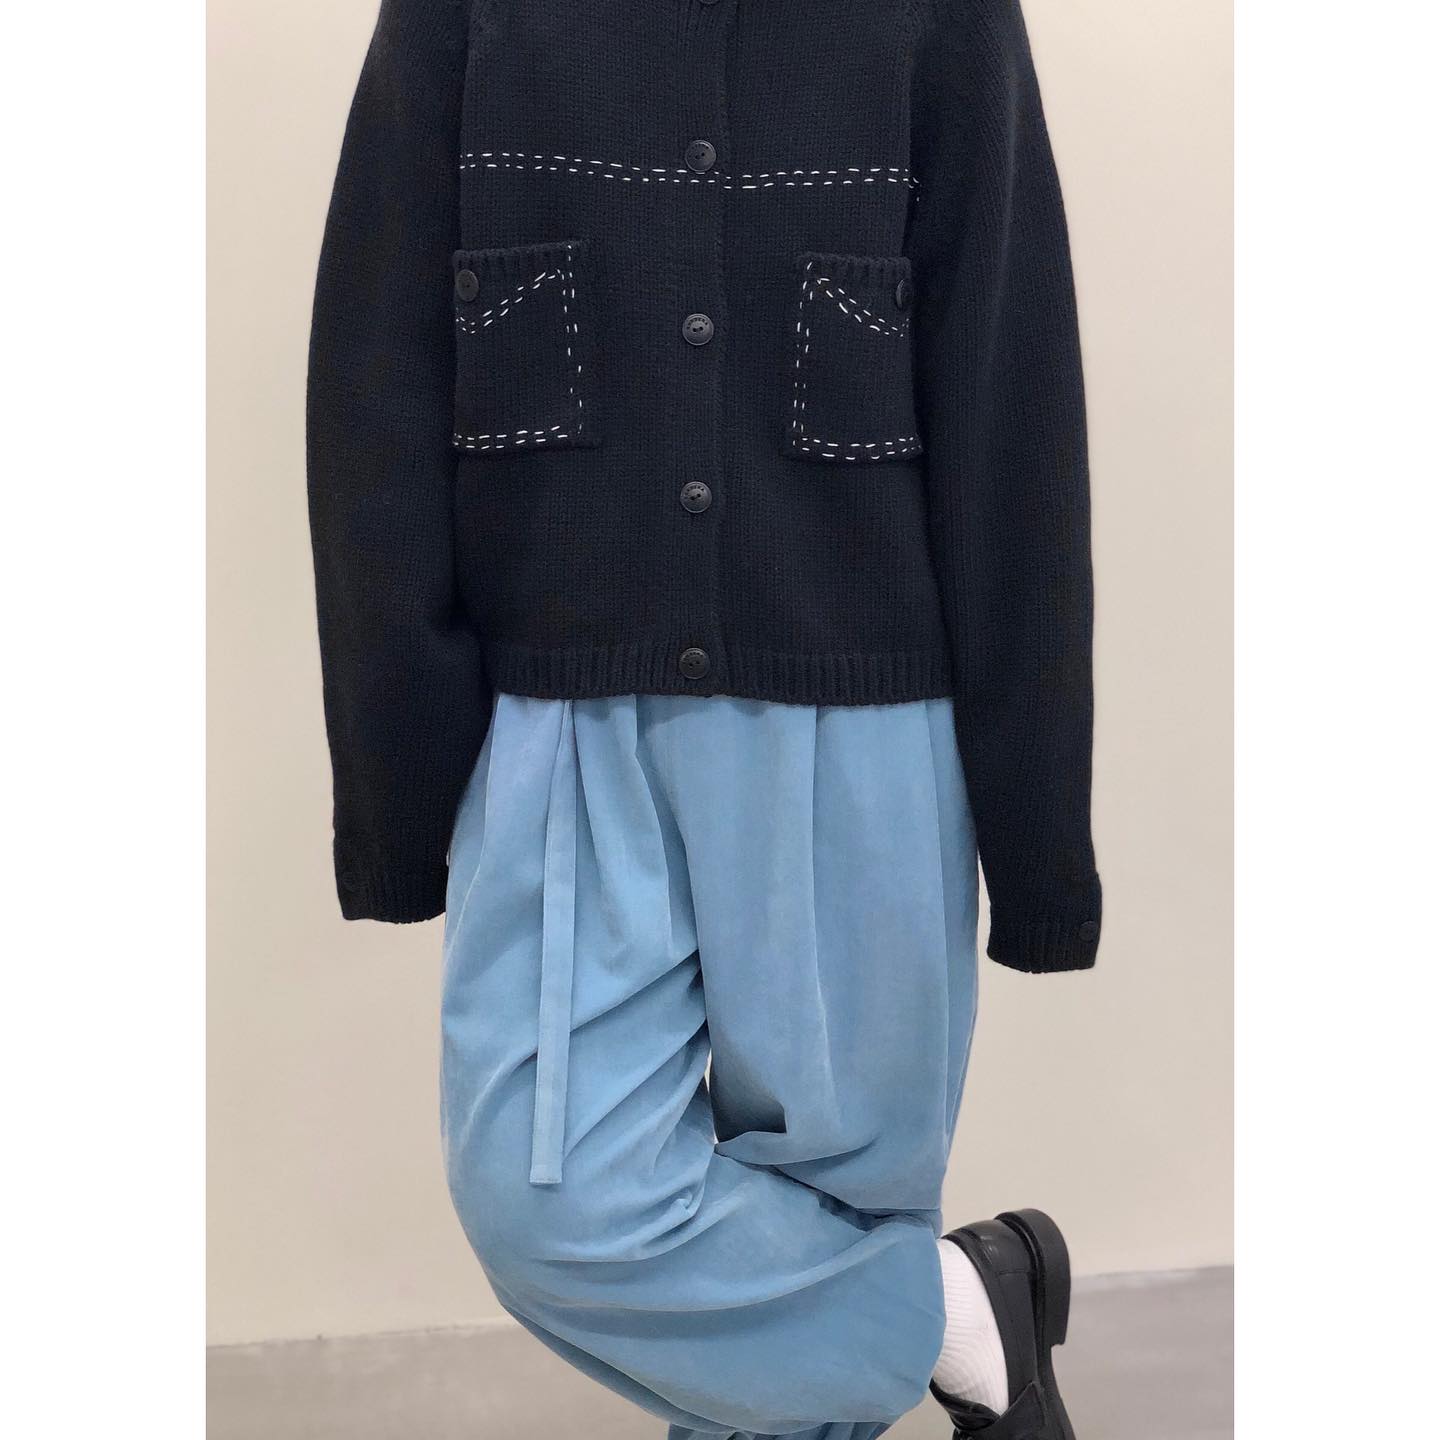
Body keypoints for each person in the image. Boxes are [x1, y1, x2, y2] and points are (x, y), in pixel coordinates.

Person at [306, 2, 1101, 1437]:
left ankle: (919, 1308)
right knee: (550, 1200)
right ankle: (953, 1307)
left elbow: (1010, 404)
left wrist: (1041, 846)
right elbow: (378, 385)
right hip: (561, 720)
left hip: (859, 718)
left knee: (832, 1197)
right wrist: (398, 783)